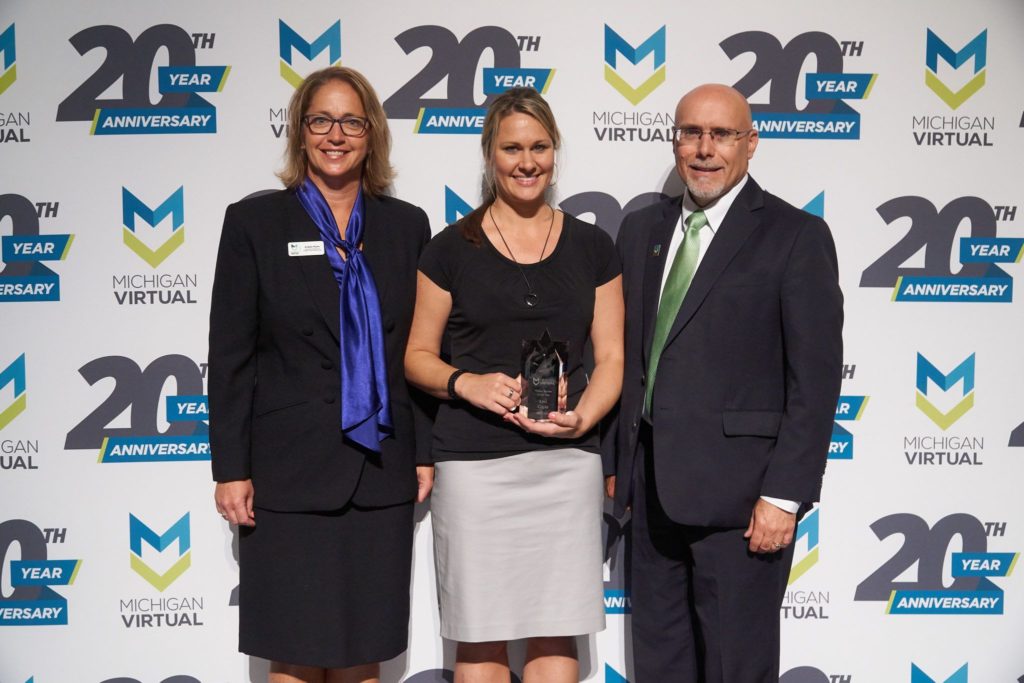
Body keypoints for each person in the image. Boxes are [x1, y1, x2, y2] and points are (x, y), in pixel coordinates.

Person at [608, 84, 843, 682]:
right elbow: (628, 359)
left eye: (722, 134)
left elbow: (814, 382)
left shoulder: (795, 235)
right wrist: (617, 466)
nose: (704, 149)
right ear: (675, 141)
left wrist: (784, 497)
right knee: (659, 667)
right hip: (650, 498)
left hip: (744, 506)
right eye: (691, 132)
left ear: (751, 143)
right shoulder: (640, 230)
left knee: (736, 668)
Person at [209, 66, 432, 683]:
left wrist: (424, 451)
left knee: (366, 650)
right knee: (294, 649)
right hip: (287, 473)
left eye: (351, 122)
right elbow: (230, 355)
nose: (336, 135)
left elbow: (418, 348)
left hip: (380, 466)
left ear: (372, 132)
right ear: (300, 131)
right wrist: (230, 468)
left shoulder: (407, 226)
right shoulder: (254, 224)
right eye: (321, 120)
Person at [404, 87, 623, 683]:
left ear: (555, 152)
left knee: (557, 629)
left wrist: (584, 418)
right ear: (489, 155)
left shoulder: (594, 247)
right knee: (480, 638)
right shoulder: (449, 250)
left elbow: (611, 359)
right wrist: (464, 382)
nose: (527, 162)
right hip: (475, 469)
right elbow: (416, 357)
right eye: (512, 149)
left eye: (539, 147)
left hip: (567, 464)